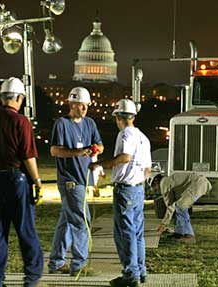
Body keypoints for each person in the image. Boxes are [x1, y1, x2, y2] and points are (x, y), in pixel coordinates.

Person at [0, 77, 44, 287]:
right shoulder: (21, 121)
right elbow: (28, 156)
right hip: (16, 180)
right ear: (19, 98)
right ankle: (31, 278)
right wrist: (38, 181)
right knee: (26, 230)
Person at [89, 99, 151, 287]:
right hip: (138, 189)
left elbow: (124, 157)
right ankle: (140, 271)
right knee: (137, 233)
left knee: (125, 234)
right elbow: (147, 169)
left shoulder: (126, 134)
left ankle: (130, 274)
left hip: (125, 190)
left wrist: (99, 164)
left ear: (118, 117)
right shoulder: (143, 137)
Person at [48, 87, 104, 276]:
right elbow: (55, 151)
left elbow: (101, 145)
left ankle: (56, 262)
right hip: (69, 181)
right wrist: (77, 153)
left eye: (86, 105)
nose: (84, 108)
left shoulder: (90, 124)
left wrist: (96, 149)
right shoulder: (62, 124)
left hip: (83, 179)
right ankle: (79, 264)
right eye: (81, 105)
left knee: (66, 222)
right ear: (71, 104)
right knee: (81, 221)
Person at [153, 172, 212, 243]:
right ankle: (179, 233)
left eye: (154, 186)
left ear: (156, 181)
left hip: (198, 184)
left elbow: (170, 206)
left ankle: (189, 236)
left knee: (181, 206)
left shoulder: (164, 183)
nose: (155, 189)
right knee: (179, 206)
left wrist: (164, 223)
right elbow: (172, 205)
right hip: (200, 182)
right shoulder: (168, 180)